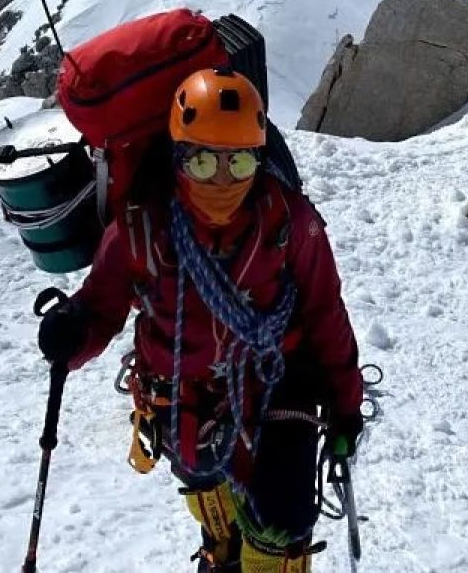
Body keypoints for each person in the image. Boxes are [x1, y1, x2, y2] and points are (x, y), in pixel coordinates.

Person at [37, 68, 364, 572]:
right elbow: (100, 306)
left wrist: (345, 404)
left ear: (259, 160)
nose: (222, 179)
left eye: (239, 162)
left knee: (283, 515)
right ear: (179, 157)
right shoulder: (142, 229)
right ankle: (223, 552)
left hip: (278, 377)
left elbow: (325, 311)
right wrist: (73, 330)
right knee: (208, 483)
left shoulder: (289, 222)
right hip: (182, 390)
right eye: (205, 161)